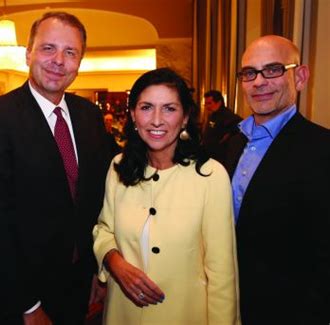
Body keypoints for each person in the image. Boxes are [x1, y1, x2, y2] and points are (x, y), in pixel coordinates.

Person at [0, 11, 112, 324]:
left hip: (79, 284)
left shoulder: (89, 116)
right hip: (23, 295)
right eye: (48, 48)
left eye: (70, 52)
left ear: (80, 62)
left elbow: (98, 199)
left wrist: (97, 274)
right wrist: (28, 305)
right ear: (27, 54)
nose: (58, 60)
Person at [93, 68, 239, 324]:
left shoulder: (211, 176)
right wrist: (115, 262)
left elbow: (222, 274)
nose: (156, 120)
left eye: (170, 108)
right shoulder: (119, 166)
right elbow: (104, 229)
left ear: (184, 118)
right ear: (133, 115)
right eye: (147, 107)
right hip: (122, 315)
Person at [224, 35, 330, 324]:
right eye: (249, 73)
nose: (258, 82)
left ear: (301, 76)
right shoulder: (232, 142)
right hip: (226, 305)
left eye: (273, 69)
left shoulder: (322, 149)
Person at [201, 90, 242, 163]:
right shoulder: (213, 114)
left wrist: (224, 140)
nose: (207, 106)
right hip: (210, 156)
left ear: (219, 102)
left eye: (209, 103)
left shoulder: (227, 115)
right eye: (206, 104)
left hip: (220, 158)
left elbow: (240, 125)